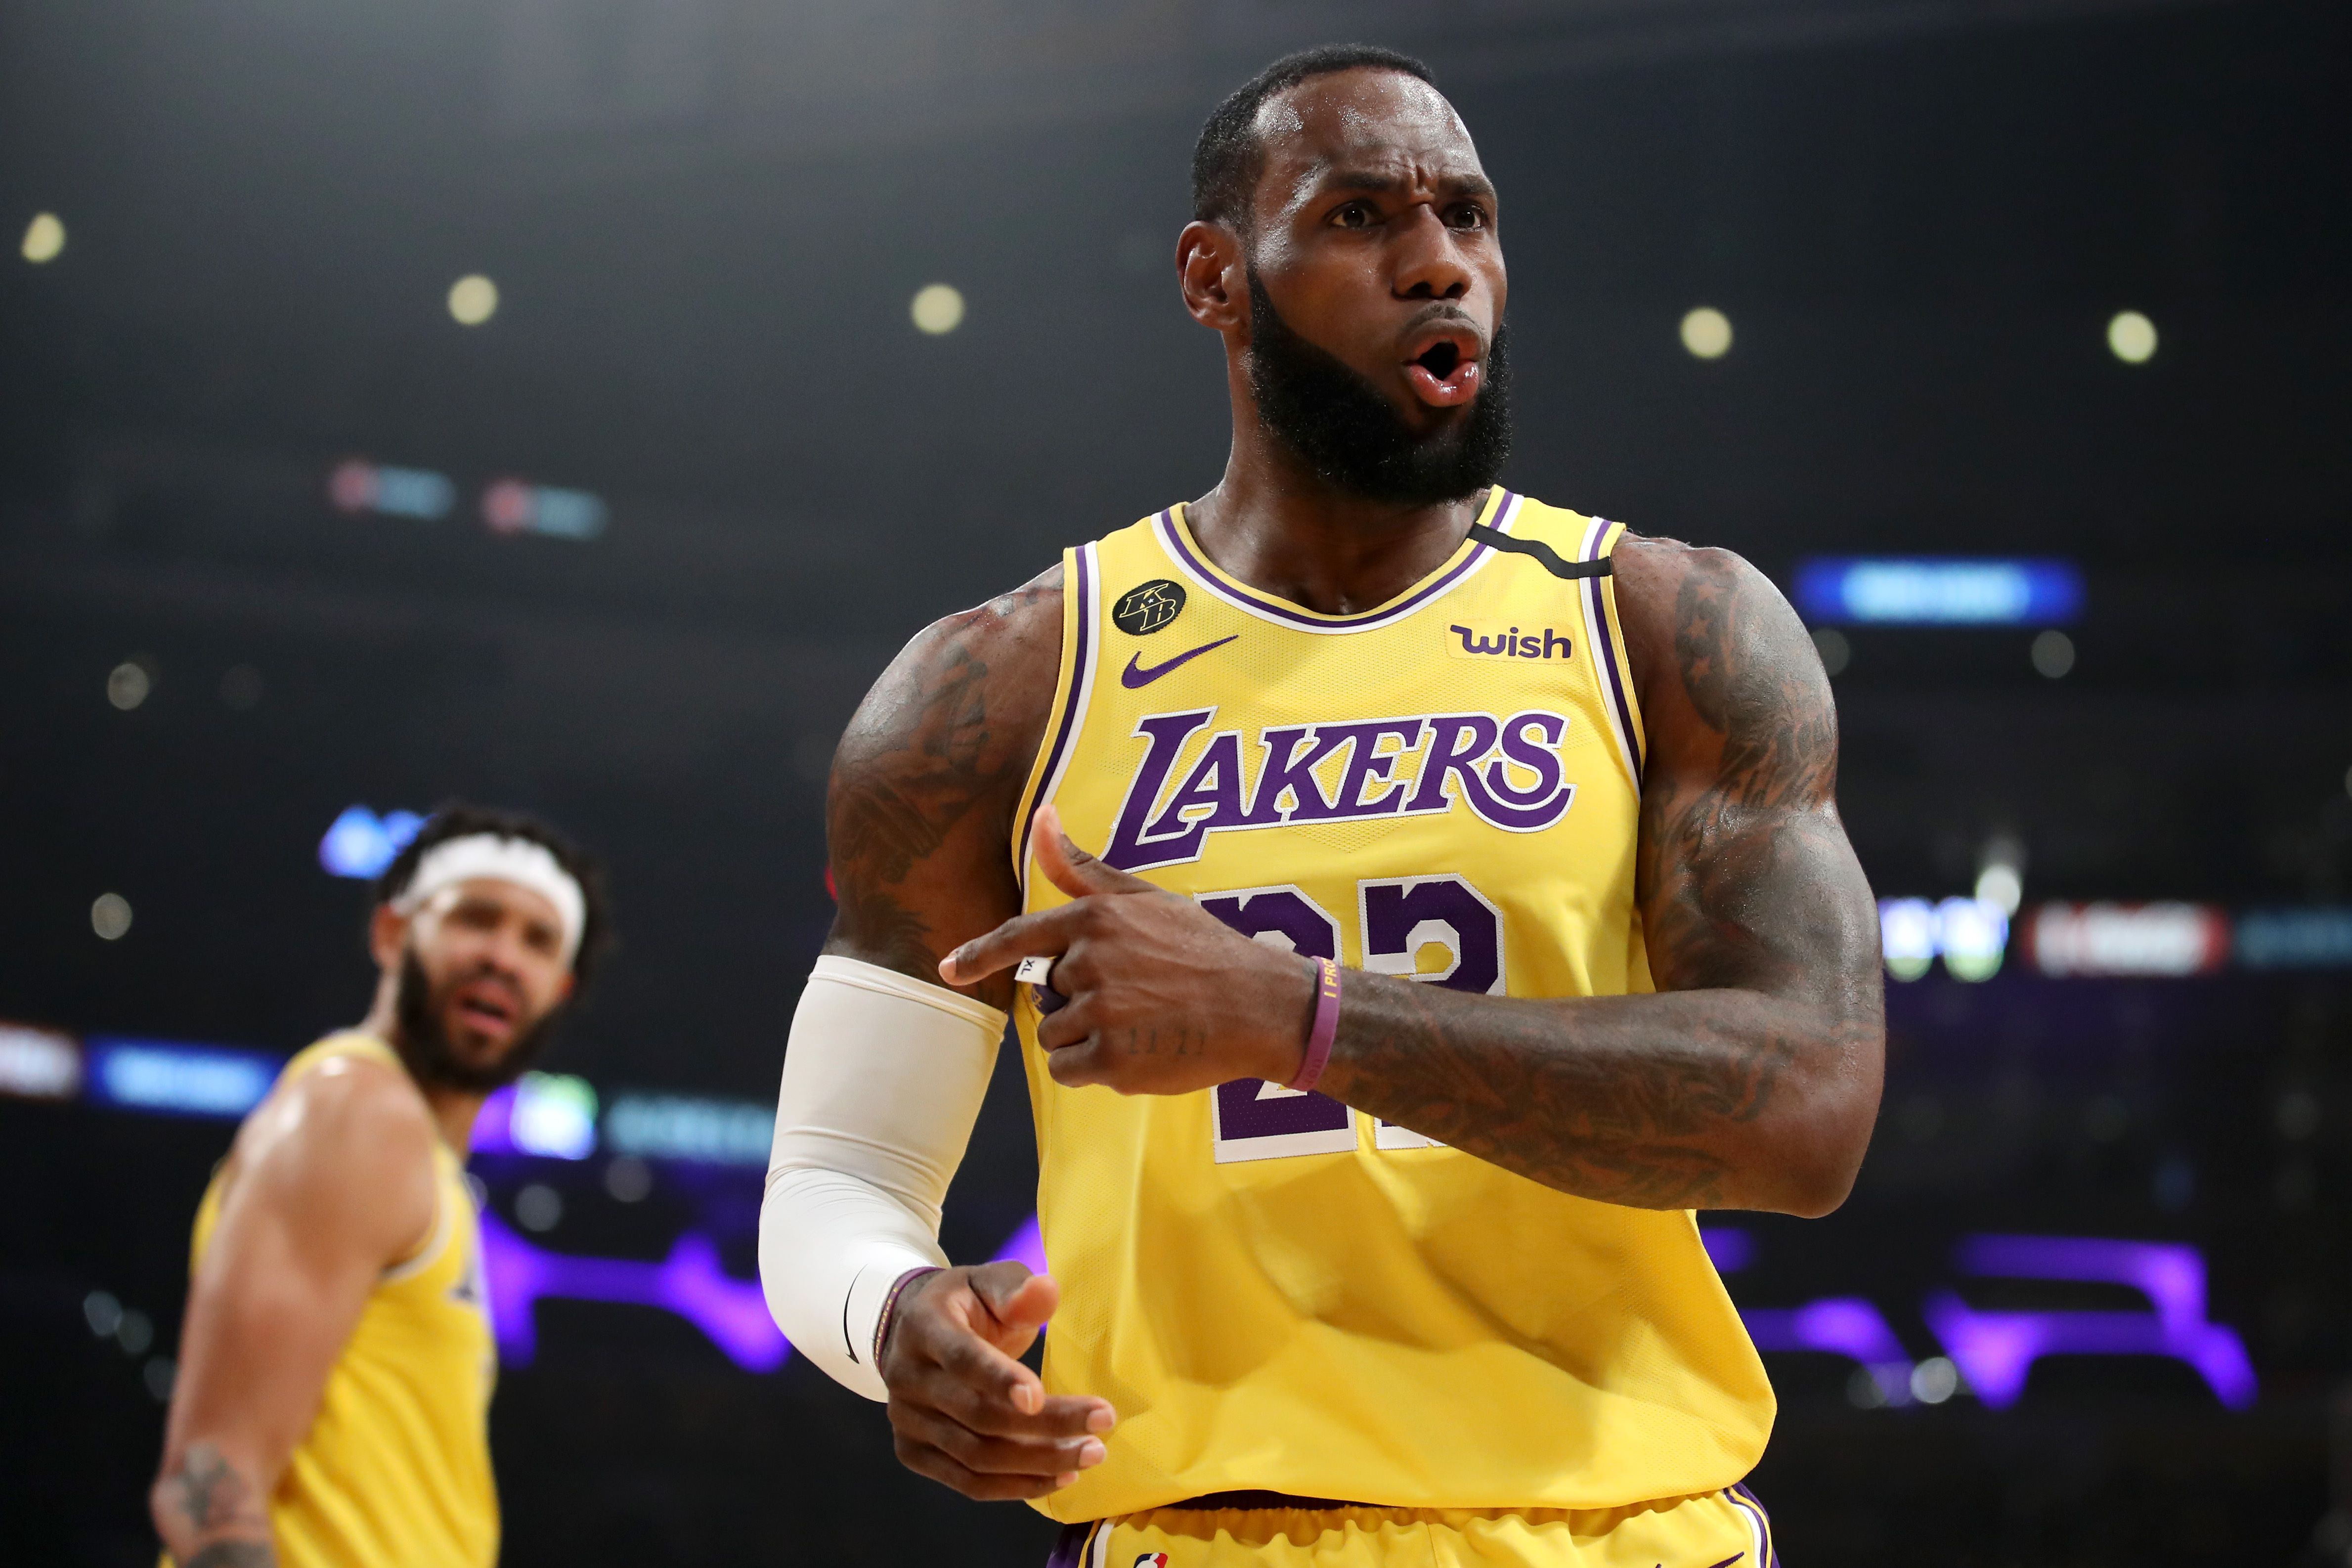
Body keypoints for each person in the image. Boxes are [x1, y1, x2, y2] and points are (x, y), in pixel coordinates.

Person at [760, 42, 1884, 1568]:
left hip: (1619, 1528)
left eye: (1468, 217)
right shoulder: (1004, 683)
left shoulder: (1660, 626)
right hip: (1202, 1527)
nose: (1438, 263)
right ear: (1213, 278)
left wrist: (1295, 1015)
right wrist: (886, 1313)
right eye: (1360, 217)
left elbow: (1807, 1106)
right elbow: (842, 1172)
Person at [151, 804, 610, 1568]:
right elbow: (211, 1473)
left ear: (557, 989)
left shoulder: (423, 1160)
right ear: (392, 933)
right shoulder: (355, 1112)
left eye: (537, 940)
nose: (503, 955)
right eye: (476, 917)